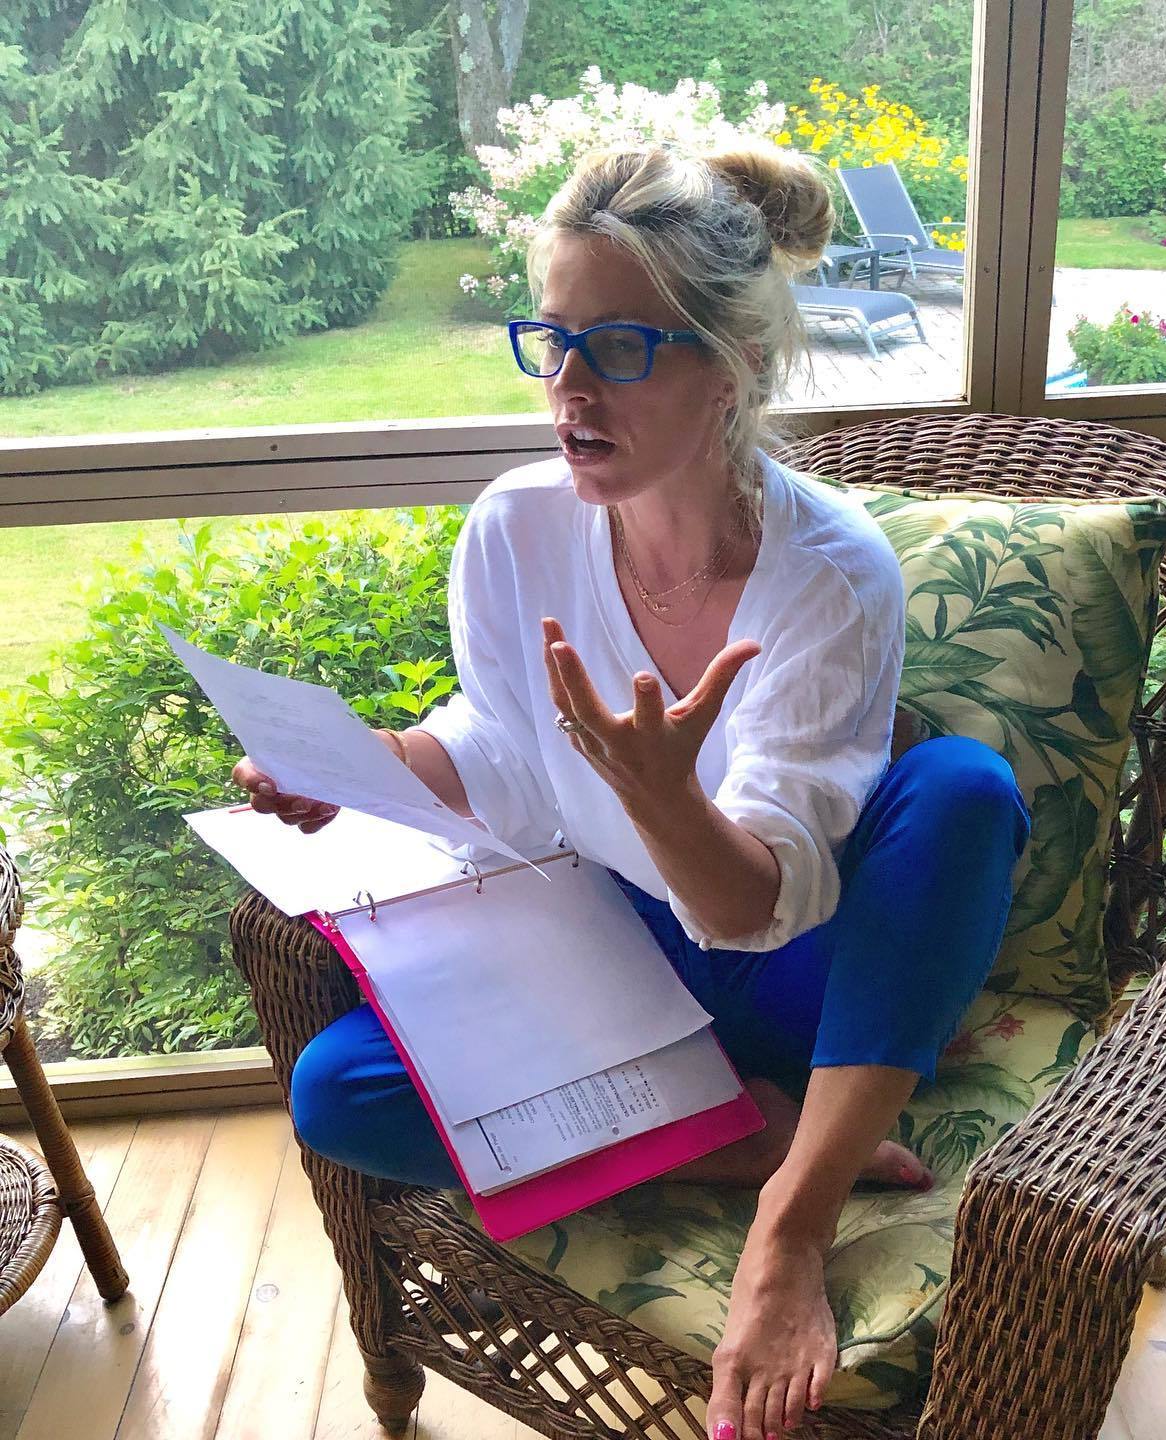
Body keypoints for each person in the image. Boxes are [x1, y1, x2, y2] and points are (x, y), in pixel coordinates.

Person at [231, 141, 1029, 1440]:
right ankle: (737, 1136)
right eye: (551, 341)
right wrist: (361, 769)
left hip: (806, 968)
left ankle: (792, 1213)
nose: (570, 387)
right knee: (339, 1091)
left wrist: (664, 797)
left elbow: (760, 906)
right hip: (614, 948)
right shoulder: (515, 529)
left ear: (734, 367)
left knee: (962, 792)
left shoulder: (832, 575)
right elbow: (502, 756)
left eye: (618, 346)